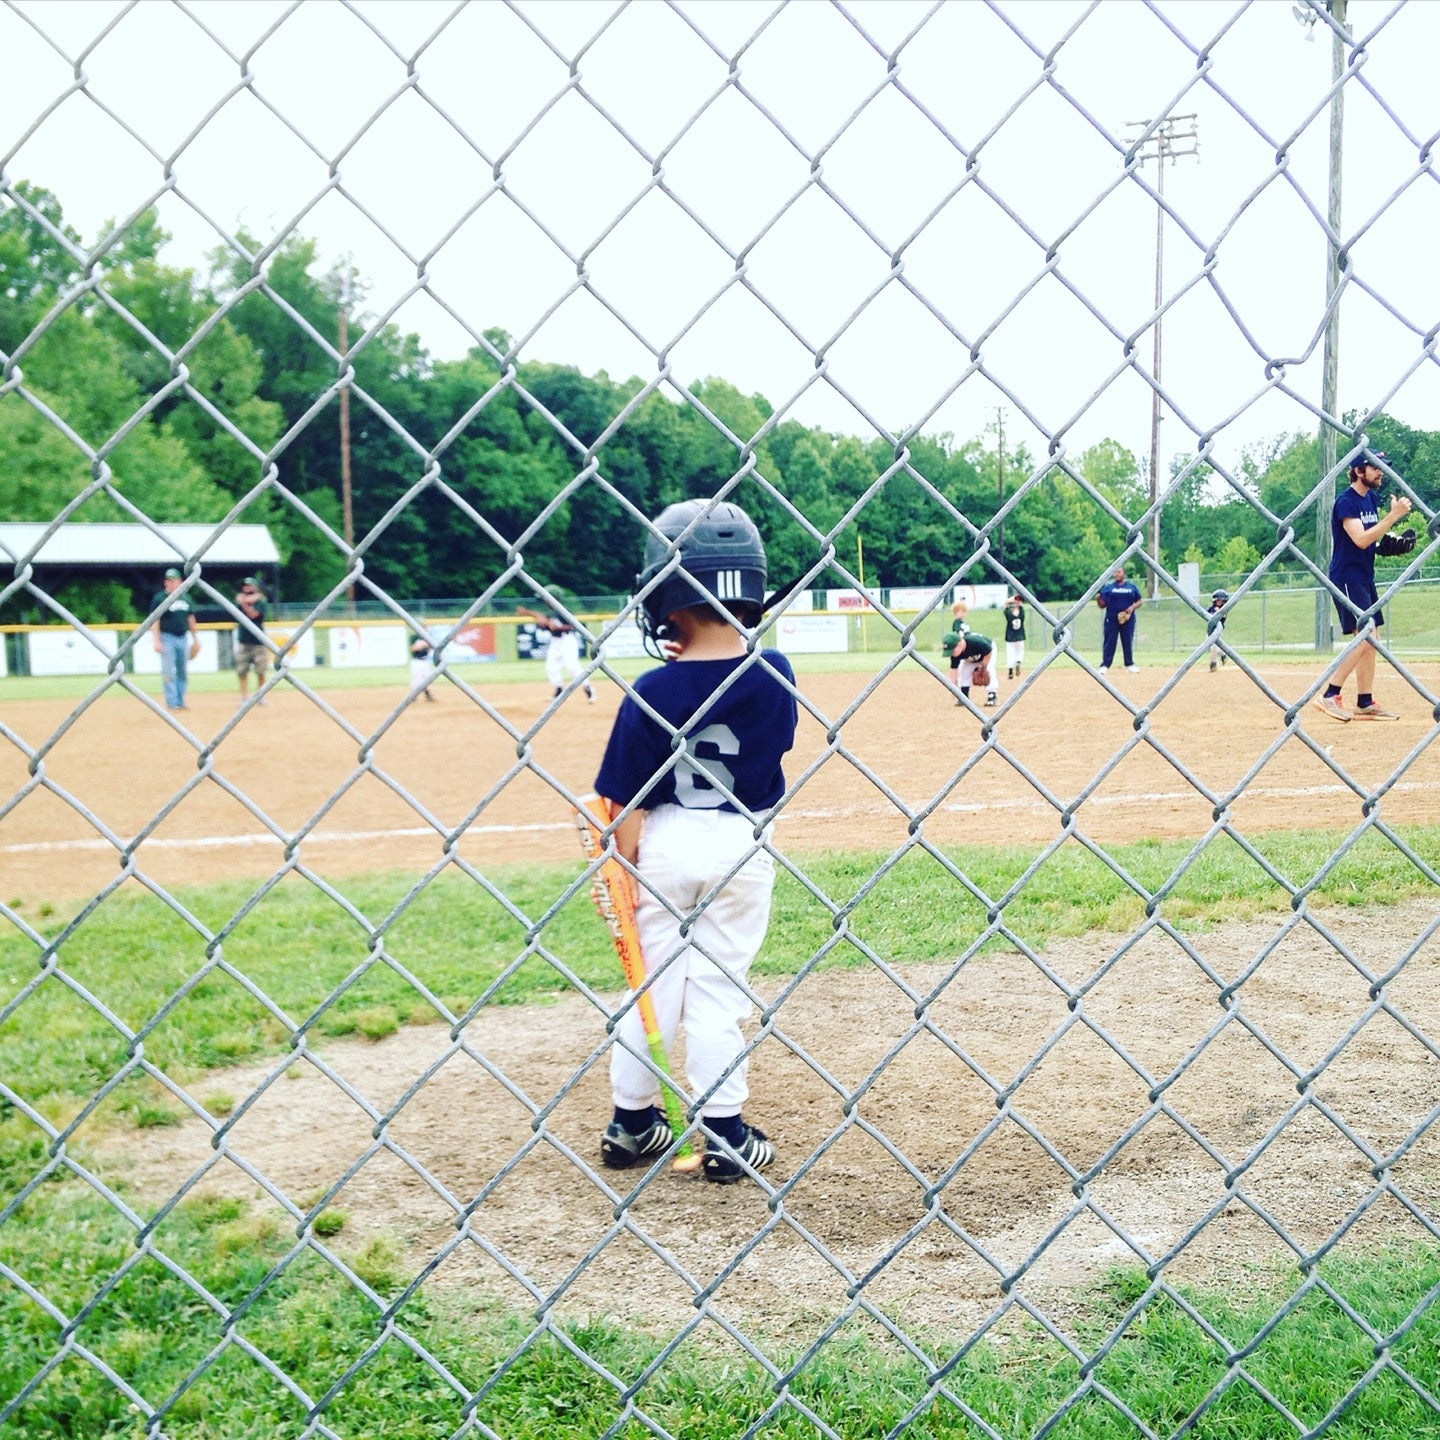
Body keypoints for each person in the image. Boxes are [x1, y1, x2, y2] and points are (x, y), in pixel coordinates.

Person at [593, 498, 797, 1185]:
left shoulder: (651, 689)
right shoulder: (775, 674)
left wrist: (623, 871)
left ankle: (631, 1121)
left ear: (665, 600)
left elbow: (627, 801)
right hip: (741, 841)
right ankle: (725, 1133)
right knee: (717, 989)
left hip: (665, 842)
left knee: (652, 988)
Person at [1313, 450, 1413, 721]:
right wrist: (1393, 517)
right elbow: (1359, 539)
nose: (1381, 472)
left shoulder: (1370, 498)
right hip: (1347, 576)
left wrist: (1386, 545)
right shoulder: (1346, 502)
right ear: (1358, 471)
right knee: (1365, 635)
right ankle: (1330, 694)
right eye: (1375, 468)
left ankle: (1365, 701)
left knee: (1372, 640)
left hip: (1365, 575)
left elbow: (1370, 538)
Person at [519, 603, 595, 702]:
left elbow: (572, 626)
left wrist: (556, 627)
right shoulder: (551, 613)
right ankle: (559, 690)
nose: (546, 603)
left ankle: (588, 689)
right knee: (551, 667)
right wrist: (527, 613)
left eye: (547, 601)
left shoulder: (563, 611)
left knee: (572, 666)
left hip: (567, 640)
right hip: (555, 641)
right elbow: (541, 617)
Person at [149, 566, 199, 711]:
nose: (170, 583)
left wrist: (195, 638)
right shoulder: (160, 598)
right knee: (168, 671)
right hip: (167, 638)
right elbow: (155, 620)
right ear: (165, 582)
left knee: (182, 671)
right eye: (168, 580)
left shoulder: (186, 598)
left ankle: (180, 700)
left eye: (173, 580)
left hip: (183, 638)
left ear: (180, 581)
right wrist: (156, 640)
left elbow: (191, 619)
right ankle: (172, 703)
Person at [944, 601, 997, 707]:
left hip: (987, 651)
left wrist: (983, 665)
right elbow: (954, 670)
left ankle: (992, 695)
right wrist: (953, 687)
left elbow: (988, 651)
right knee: (964, 670)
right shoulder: (955, 652)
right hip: (969, 654)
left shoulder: (975, 642)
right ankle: (964, 697)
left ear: (959, 644)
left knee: (988, 670)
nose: (953, 654)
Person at [1097, 565, 1143, 672]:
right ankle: (1105, 665)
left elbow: (1139, 601)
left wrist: (1132, 607)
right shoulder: (1109, 588)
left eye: (1119, 572)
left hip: (1127, 618)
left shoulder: (1131, 587)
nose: (1116, 574)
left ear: (1124, 573)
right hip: (1112, 618)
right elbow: (1102, 605)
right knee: (1110, 641)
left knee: (1127, 641)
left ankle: (1129, 664)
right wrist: (1098, 599)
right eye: (1115, 572)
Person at [233, 576, 269, 705]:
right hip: (244, 641)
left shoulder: (261, 601)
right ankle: (243, 697)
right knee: (242, 671)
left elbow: (254, 615)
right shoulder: (238, 601)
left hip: (258, 642)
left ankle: (261, 696)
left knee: (261, 671)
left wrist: (244, 603)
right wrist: (243, 602)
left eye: (249, 585)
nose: (246, 588)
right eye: (245, 585)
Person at [1002, 593, 1026, 680]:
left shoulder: (1009, 614)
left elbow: (1004, 604)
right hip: (1020, 636)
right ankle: (1018, 662)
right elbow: (1021, 606)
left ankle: (1010, 671)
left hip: (1010, 637)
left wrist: (1011, 600)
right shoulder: (1021, 613)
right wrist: (1018, 602)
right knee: (1020, 651)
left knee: (1010, 653)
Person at [410, 631, 438, 701]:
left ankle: (427, 694)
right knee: (416, 679)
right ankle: (413, 696)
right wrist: (422, 645)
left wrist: (424, 645)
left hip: (426, 661)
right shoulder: (414, 637)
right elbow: (413, 649)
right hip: (417, 661)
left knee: (427, 678)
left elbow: (431, 646)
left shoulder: (427, 635)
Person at [1207, 589, 1229, 672]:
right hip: (1210, 630)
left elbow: (1222, 617)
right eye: (1218, 600)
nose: (1219, 602)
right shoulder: (1211, 608)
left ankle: (1213, 664)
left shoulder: (1224, 610)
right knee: (1210, 646)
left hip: (1218, 629)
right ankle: (1223, 655)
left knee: (1213, 646)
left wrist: (1218, 612)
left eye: (1221, 600)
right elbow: (1206, 613)